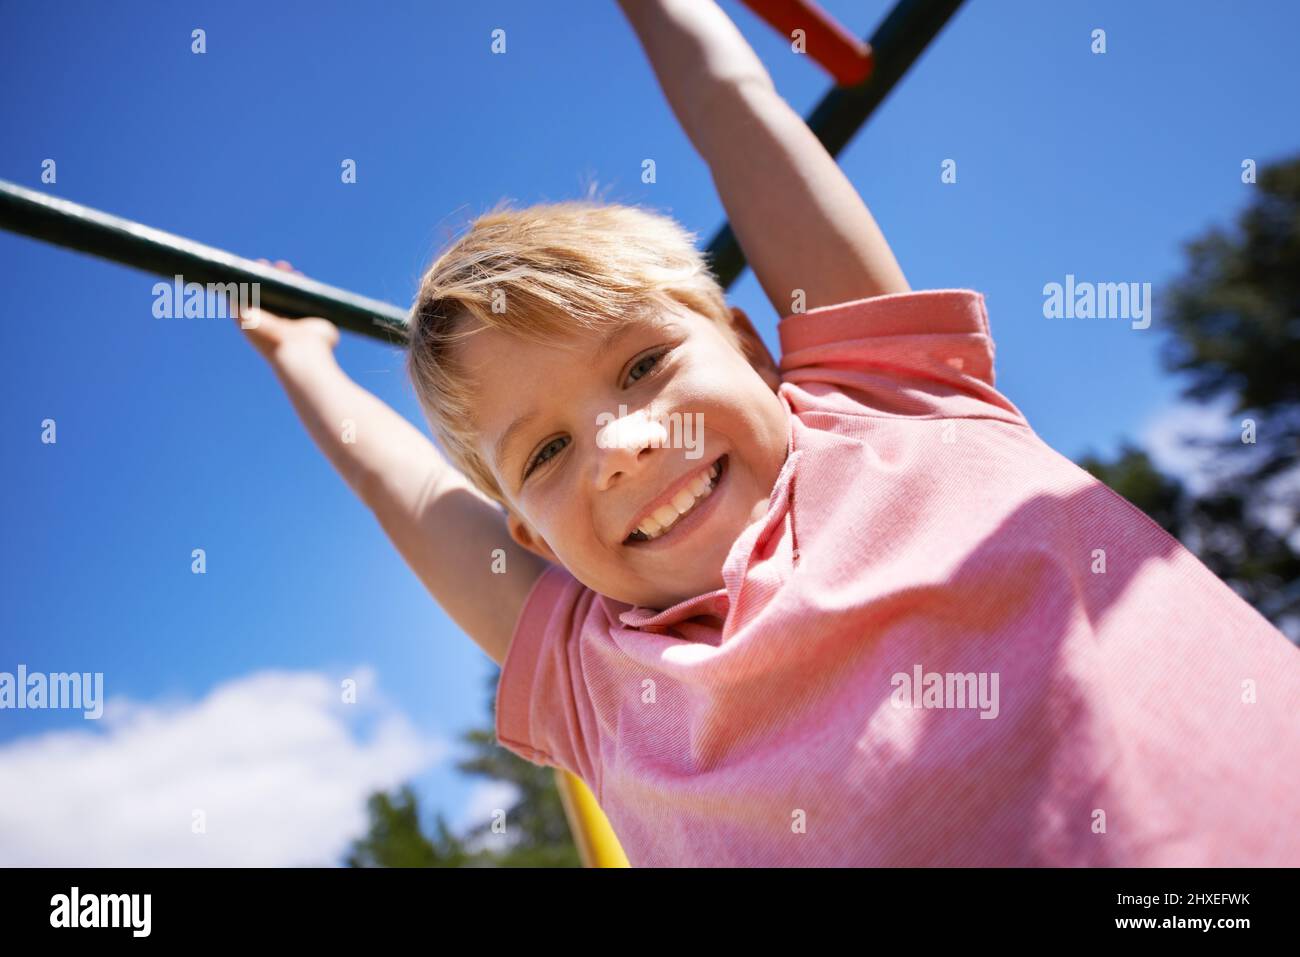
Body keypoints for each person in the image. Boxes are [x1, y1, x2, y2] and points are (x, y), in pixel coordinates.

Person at [233, 0, 1300, 866]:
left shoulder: (884, 400)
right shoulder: (592, 673)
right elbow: (405, 491)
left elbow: (736, 108)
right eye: (546, 453)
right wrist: (300, 360)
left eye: (644, 366)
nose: (616, 446)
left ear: (748, 347)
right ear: (529, 530)